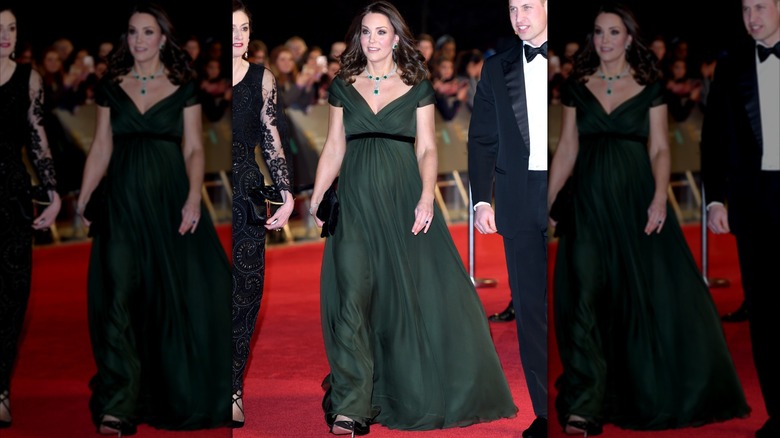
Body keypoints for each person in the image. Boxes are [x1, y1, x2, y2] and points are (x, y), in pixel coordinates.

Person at [308, 1, 518, 435]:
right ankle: (351, 405)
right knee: (350, 296)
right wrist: (317, 195)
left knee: (401, 298)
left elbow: (426, 148)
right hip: (355, 200)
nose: (371, 40)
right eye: (365, 32)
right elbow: (333, 146)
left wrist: (427, 196)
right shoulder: (344, 83)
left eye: (380, 32)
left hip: (404, 198)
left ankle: (394, 388)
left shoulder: (417, 83)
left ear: (397, 37)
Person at [547, 2, 751, 435]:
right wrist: (546, 204)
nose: (604, 40)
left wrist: (660, 198)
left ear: (629, 38)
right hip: (586, 201)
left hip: (636, 200)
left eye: (614, 32)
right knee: (582, 295)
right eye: (598, 32)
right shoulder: (577, 83)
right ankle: (585, 403)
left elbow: (660, 148)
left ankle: (631, 387)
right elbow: (567, 148)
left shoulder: (648, 83)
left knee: (633, 296)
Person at [75, 2, 231, 434]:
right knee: (119, 293)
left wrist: (194, 199)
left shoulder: (183, 85)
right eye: (131, 32)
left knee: (168, 296)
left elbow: (195, 147)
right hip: (122, 202)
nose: (138, 40)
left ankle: (166, 388)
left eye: (147, 32)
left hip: (168, 201)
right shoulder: (112, 84)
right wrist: (84, 199)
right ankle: (119, 404)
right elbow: (101, 147)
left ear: (163, 38)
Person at [467, 0, 548, 436]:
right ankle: (545, 413)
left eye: (529, 7)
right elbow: (481, 137)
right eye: (514, 8)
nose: (520, 16)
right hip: (517, 198)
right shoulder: (496, 68)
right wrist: (482, 200)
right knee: (531, 309)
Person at [700, 0, 780, 436]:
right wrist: (714, 199)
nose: (752, 17)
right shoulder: (730, 66)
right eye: (747, 8)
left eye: (761, 7)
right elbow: (713, 138)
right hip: (754, 207)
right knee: (766, 316)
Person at [230, 0, 295, 428]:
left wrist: (286, 193)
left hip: (247, 191)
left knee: (246, 291)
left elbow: (270, 136)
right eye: (231, 27)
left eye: (245, 27)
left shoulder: (261, 78)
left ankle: (233, 386)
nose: (238, 35)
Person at [0, 4, 62, 429]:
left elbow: (37, 137)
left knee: (12, 293)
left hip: (11, 196)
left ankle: (0, 387)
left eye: (12, 28)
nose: (6, 35)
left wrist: (52, 191)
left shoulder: (28, 78)